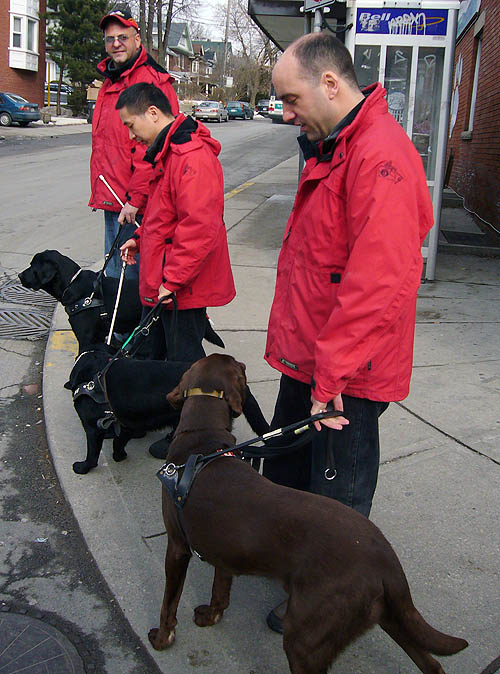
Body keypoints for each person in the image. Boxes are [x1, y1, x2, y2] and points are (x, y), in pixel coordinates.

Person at [263, 32, 433, 632]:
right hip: (310, 361)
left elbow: (378, 283)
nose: (285, 113)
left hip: (344, 378)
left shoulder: (379, 156)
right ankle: (299, 579)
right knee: (287, 477)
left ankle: (329, 611)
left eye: (290, 98)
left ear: (330, 85)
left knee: (337, 505)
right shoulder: (337, 144)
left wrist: (330, 374)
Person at [116, 83, 235, 456]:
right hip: (172, 280)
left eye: (132, 125)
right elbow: (165, 212)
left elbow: (199, 226)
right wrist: (140, 237)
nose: (131, 134)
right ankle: (170, 420)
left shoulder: (191, 156)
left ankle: (190, 431)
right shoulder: (170, 152)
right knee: (168, 354)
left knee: (184, 361)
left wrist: (173, 280)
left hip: (184, 285)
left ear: (153, 113)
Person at [89, 8, 179, 278]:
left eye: (123, 37)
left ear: (137, 39)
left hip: (135, 206)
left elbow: (154, 149)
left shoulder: (150, 83)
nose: (115, 43)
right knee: (115, 279)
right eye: (109, 38)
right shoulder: (110, 81)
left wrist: (136, 200)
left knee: (130, 284)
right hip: (113, 200)